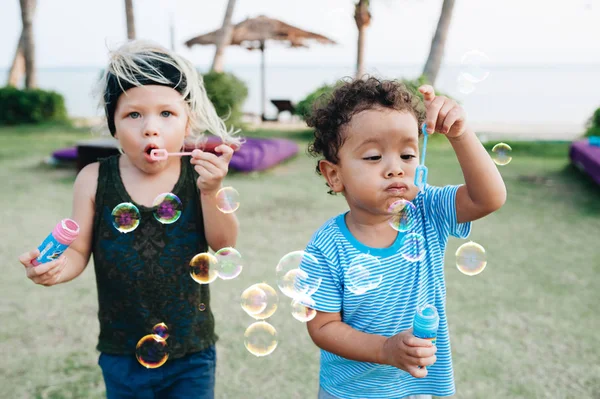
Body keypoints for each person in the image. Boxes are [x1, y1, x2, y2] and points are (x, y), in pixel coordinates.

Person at [18, 40, 242, 399]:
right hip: (122, 349)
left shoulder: (199, 179)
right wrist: (58, 268)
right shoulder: (94, 179)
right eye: (133, 115)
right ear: (113, 126)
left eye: (166, 114)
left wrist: (211, 191)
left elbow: (224, 244)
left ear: (189, 123)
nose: (150, 128)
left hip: (191, 349)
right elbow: (78, 252)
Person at [300, 77, 506, 399]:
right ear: (334, 175)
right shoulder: (327, 246)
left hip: (422, 385)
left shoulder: (426, 210)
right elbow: (323, 327)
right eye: (373, 157)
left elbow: (488, 198)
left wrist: (460, 134)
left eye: (408, 156)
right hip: (352, 392)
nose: (395, 168)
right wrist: (385, 349)